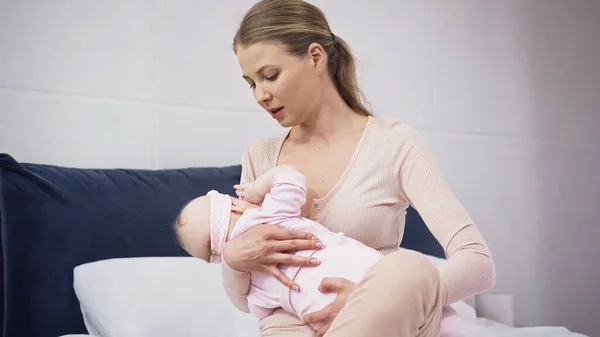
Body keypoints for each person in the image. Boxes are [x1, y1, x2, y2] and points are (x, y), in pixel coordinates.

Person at [220, 0, 496, 336]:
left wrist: (378, 299)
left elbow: (477, 263)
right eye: (251, 83)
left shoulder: (393, 143)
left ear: (316, 58)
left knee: (410, 268)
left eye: (270, 76)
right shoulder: (259, 157)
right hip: (290, 328)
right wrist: (233, 260)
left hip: (386, 322)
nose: (260, 96)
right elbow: (245, 299)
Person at [173, 164, 467, 336]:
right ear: (236, 204)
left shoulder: (254, 291)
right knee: (439, 314)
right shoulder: (267, 217)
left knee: (408, 275)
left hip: (348, 319)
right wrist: (260, 186)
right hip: (376, 294)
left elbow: (261, 315)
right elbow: (290, 177)